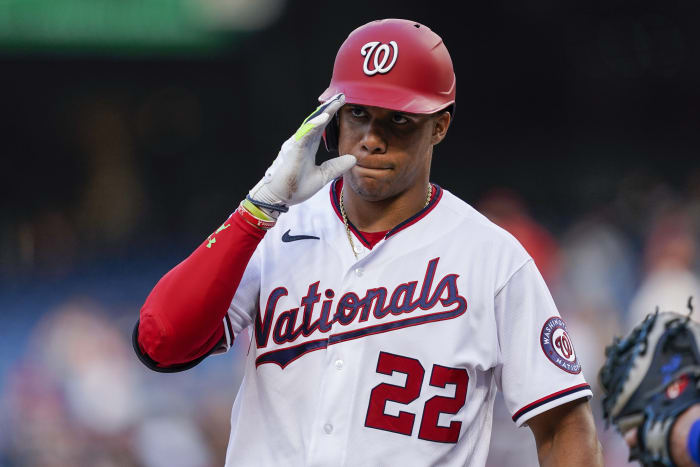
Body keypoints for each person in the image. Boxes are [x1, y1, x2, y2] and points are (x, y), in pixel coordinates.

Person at [133, 18, 602, 466]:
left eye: (398, 120)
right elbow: (161, 343)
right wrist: (257, 209)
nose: (372, 139)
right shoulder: (272, 231)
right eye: (357, 113)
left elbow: (564, 427)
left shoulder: (493, 260)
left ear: (439, 125)